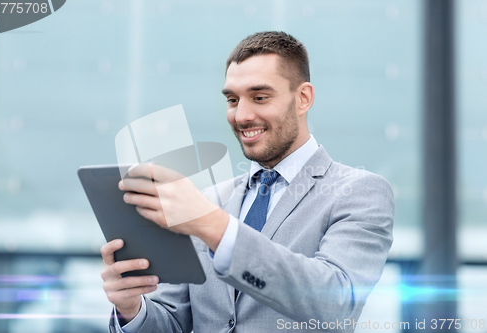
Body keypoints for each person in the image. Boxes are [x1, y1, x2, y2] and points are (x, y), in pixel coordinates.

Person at [101, 31, 394, 333]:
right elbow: (172, 322)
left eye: (260, 97)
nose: (241, 116)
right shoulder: (210, 199)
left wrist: (214, 227)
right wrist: (130, 309)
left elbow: (335, 304)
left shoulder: (359, 192)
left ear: (303, 98)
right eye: (232, 99)